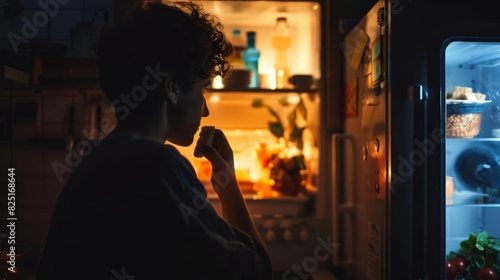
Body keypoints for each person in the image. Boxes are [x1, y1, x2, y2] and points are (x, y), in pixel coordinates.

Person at [36, 1, 272, 279]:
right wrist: (228, 183)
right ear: (172, 88)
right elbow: (257, 272)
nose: (205, 109)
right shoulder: (158, 166)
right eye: (202, 89)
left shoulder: (99, 157)